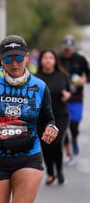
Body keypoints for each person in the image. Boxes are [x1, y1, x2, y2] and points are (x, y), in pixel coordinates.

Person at [0, 35, 59, 203]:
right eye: (8, 58)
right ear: (1, 60)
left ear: (27, 57)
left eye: (19, 58)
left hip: (28, 156)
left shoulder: (40, 87)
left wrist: (51, 128)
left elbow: (48, 119)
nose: (14, 63)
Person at [36, 50, 71, 185]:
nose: (48, 60)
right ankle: (50, 173)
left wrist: (67, 96)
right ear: (41, 60)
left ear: (55, 60)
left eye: (51, 57)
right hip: (42, 118)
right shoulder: (36, 78)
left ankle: (60, 170)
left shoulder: (62, 76)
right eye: (45, 57)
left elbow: (68, 91)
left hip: (60, 115)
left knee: (56, 142)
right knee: (46, 145)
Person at [58, 35, 90, 165]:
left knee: (74, 126)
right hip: (61, 98)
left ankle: (75, 139)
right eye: (65, 49)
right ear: (62, 48)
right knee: (63, 127)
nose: (67, 51)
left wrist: (84, 80)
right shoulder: (58, 59)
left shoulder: (80, 59)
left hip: (76, 98)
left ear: (74, 48)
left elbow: (89, 74)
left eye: (69, 49)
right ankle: (68, 152)